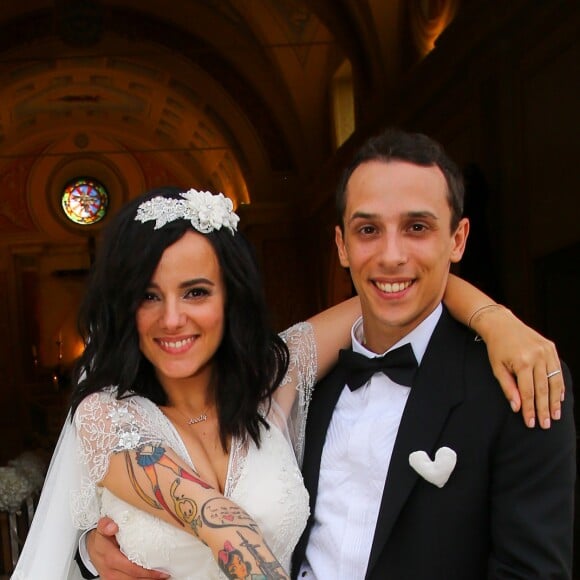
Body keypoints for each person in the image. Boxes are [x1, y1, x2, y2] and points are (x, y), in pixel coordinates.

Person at [13, 179, 565, 580]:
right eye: (148, 296)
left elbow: (392, 290)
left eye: (196, 292)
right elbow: (220, 523)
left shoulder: (274, 377)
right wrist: (90, 551)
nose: (172, 318)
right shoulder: (107, 416)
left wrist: (495, 320)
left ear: (232, 298)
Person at [291, 128, 576, 579]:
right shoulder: (304, 381)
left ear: (458, 239)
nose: (391, 255)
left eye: (417, 228)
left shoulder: (519, 380)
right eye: (368, 230)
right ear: (342, 246)